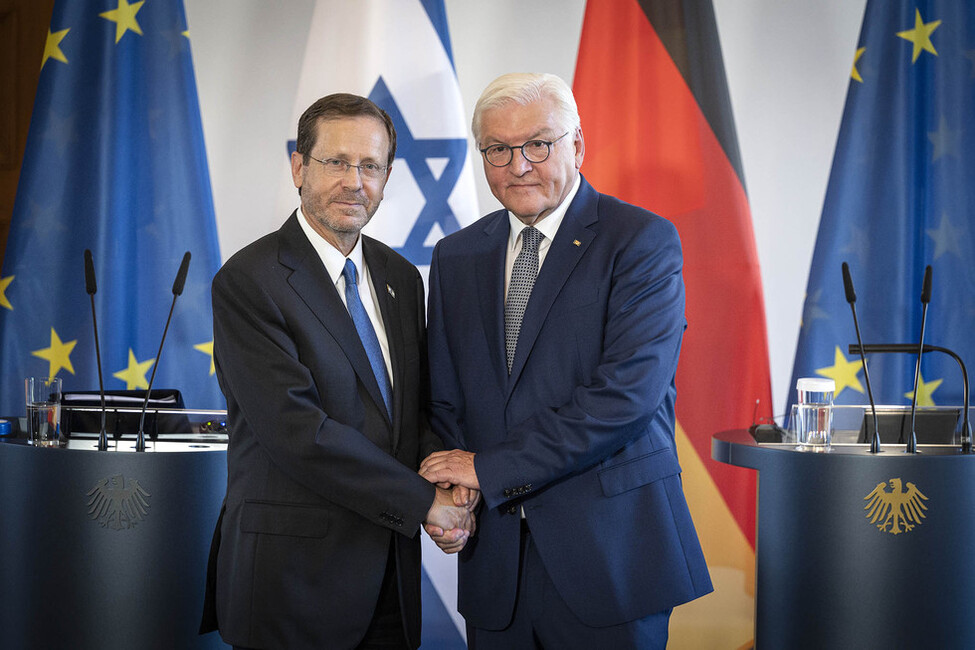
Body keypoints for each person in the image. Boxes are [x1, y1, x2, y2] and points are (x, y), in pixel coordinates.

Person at [420, 73, 713, 648]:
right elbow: (446, 396)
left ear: (577, 145)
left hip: (611, 556)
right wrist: (452, 496)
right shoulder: (456, 255)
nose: (518, 165)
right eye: (498, 150)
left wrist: (488, 471)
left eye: (538, 144)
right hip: (495, 560)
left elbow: (624, 398)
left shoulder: (641, 241)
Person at [200, 93, 474, 650]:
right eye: (336, 162)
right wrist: (426, 501)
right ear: (299, 167)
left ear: (388, 175)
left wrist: (450, 476)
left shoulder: (401, 276)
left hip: (390, 582)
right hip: (292, 584)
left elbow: (408, 411)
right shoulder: (250, 280)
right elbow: (299, 433)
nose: (355, 181)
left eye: (370, 166)